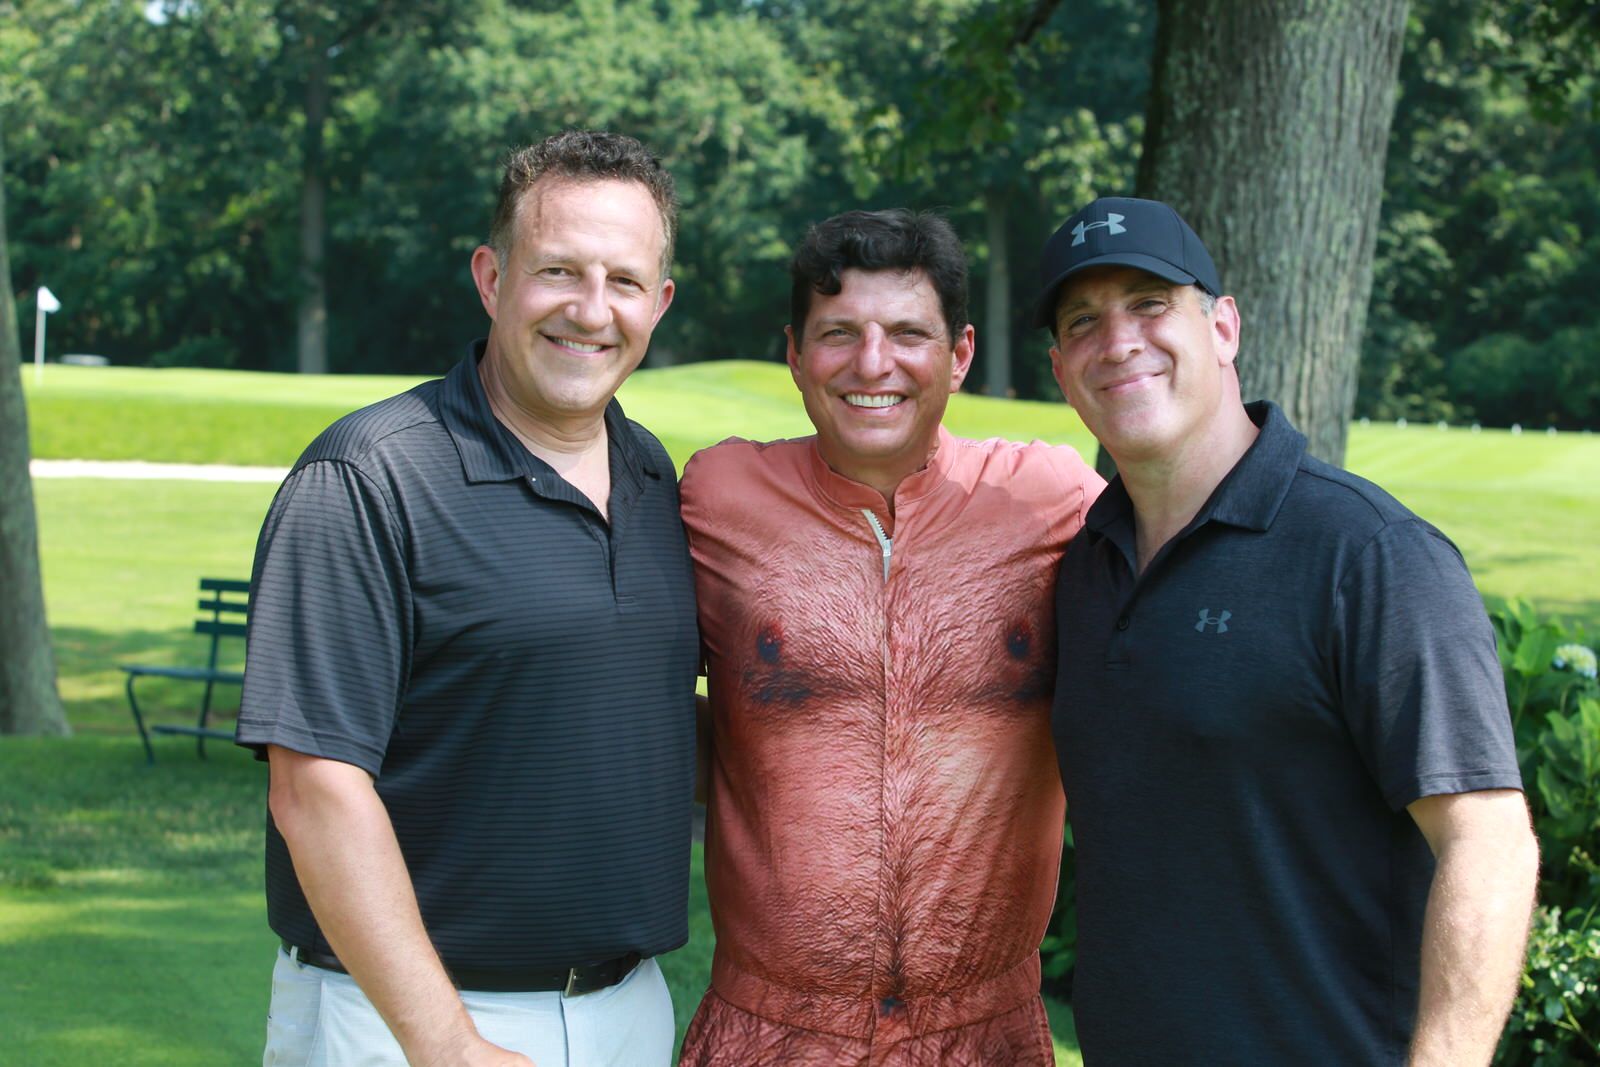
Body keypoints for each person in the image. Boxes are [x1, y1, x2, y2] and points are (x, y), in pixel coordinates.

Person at [1037, 196, 1539, 1065]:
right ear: (1059, 368)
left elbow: (1488, 842)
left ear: (1223, 328)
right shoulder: (1085, 566)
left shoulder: (1371, 555)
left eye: (1151, 304)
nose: (1117, 342)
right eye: (1084, 321)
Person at [235, 130, 698, 1067]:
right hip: (405, 1020)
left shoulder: (653, 476)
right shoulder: (367, 477)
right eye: (558, 270)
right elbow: (315, 787)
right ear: (491, 278)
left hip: (629, 1008)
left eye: (623, 280)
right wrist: (446, 1042)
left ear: (659, 302)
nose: (591, 309)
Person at [676, 208, 1104, 1065]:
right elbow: (604, 663)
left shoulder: (1053, 501)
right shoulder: (717, 497)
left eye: (908, 333)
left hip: (987, 1036)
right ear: (795, 353)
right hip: (768, 1033)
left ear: (961, 353)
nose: (873, 364)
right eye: (839, 333)